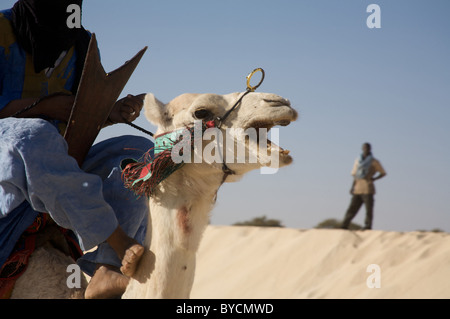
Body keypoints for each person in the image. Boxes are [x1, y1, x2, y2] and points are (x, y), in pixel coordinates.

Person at [0, 0, 151, 298]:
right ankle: (119, 242)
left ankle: (107, 268)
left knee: (141, 150)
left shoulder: (79, 41)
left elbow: (78, 119)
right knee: (35, 134)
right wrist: (44, 107)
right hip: (10, 155)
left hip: (59, 161)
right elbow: (40, 128)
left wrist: (110, 113)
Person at [341, 143, 386, 230]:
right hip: (357, 188)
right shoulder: (358, 160)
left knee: (368, 210)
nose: (366, 149)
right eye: (365, 147)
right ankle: (344, 225)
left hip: (368, 189)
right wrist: (352, 187)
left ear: (370, 149)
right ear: (362, 148)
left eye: (368, 148)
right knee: (351, 209)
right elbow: (355, 175)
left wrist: (374, 179)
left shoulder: (374, 161)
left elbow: (383, 173)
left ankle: (367, 226)